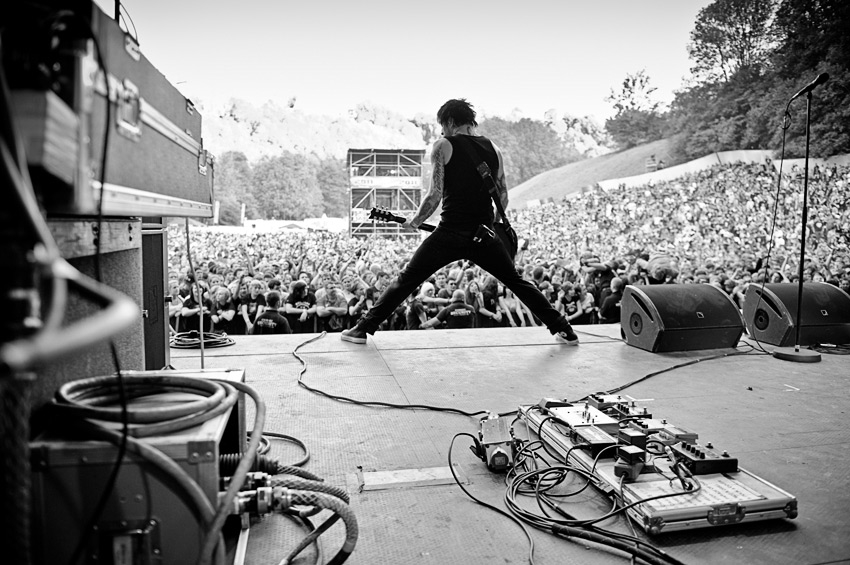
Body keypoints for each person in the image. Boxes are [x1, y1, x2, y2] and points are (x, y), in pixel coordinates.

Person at [341, 98, 578, 345]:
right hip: (484, 235)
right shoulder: (494, 149)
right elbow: (503, 196)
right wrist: (488, 225)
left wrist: (415, 221)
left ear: (451, 121)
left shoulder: (443, 145)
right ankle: (563, 329)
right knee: (517, 282)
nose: (442, 131)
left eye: (443, 125)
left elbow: (435, 194)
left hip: (450, 232)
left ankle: (362, 329)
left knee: (406, 279)